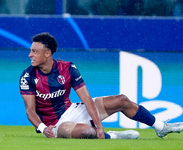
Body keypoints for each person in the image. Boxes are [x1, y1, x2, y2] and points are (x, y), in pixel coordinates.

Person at [19, 32, 183, 139]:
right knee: (86, 132)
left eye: (35, 51)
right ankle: (113, 136)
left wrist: (99, 126)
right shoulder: (28, 76)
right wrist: (42, 128)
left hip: (73, 110)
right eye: (31, 51)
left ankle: (161, 127)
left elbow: (87, 99)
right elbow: (30, 111)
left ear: (48, 53)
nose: (30, 55)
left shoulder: (68, 68)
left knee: (122, 100)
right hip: (55, 125)